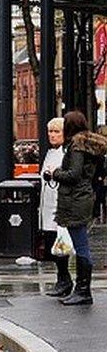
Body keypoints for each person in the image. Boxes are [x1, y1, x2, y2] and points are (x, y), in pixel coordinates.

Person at [46, 111, 107, 306]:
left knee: (81, 245)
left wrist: (55, 173)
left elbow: (73, 174)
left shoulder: (76, 147)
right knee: (80, 243)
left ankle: (83, 290)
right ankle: (81, 289)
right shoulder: (88, 146)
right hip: (83, 197)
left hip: (76, 199)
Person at [41, 119, 65, 276]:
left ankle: (64, 278)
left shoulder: (65, 154)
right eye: (50, 131)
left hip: (59, 205)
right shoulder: (50, 153)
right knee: (52, 243)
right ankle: (61, 278)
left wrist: (55, 174)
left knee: (61, 246)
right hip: (47, 204)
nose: (52, 135)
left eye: (57, 132)